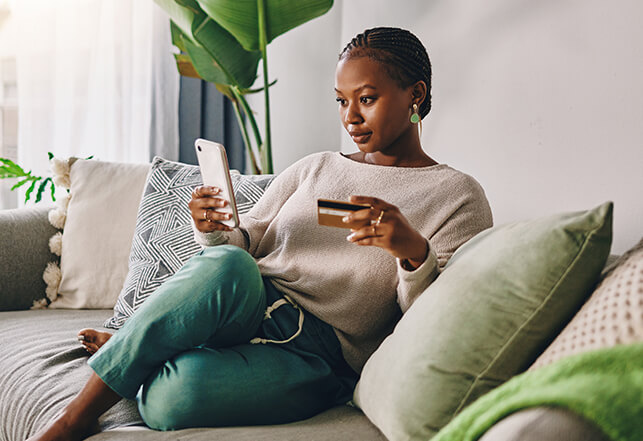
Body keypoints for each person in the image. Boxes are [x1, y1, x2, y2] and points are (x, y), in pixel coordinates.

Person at [29, 27, 494, 441]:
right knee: (230, 262)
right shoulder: (317, 166)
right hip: (246, 301)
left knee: (171, 401)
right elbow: (244, 243)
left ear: (416, 94)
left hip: (319, 358)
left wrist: (411, 253)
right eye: (341, 100)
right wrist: (214, 229)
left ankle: (144, 348)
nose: (350, 116)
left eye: (366, 98)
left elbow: (435, 324)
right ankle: (74, 418)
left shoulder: (456, 195)